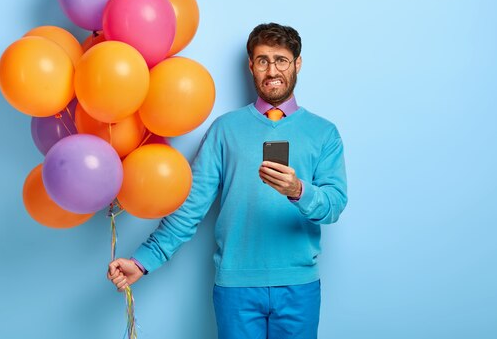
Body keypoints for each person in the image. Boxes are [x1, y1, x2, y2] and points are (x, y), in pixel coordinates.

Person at [107, 23, 348, 339]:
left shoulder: (324, 133)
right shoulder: (225, 130)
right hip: (236, 287)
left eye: (281, 60)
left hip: (298, 286)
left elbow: (334, 206)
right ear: (251, 66)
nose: (272, 69)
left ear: (297, 63)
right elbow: (189, 207)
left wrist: (298, 190)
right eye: (262, 60)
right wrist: (143, 261)